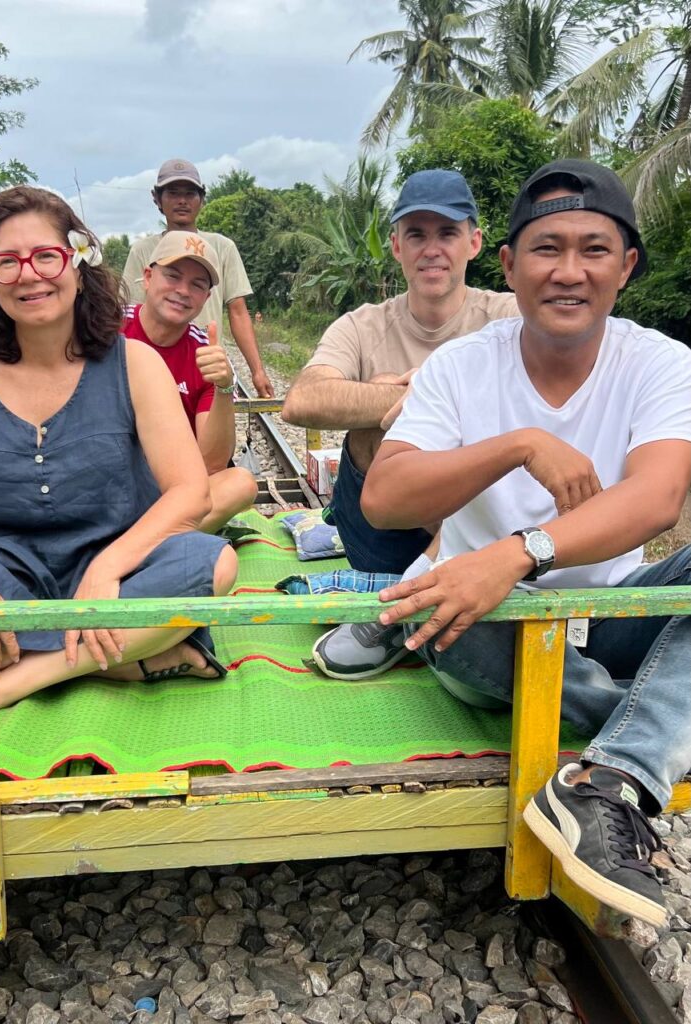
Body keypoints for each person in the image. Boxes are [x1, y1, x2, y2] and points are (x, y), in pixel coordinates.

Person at [363, 158, 691, 927]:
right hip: (477, 619)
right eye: (546, 249)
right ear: (508, 266)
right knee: (439, 608)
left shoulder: (660, 363)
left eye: (593, 249)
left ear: (626, 267)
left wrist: (517, 552)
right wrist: (515, 444)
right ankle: (646, 730)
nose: (567, 272)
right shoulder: (460, 367)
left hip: (608, 612)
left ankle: (605, 780)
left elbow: (657, 498)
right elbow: (383, 498)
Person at [0, 185, 239, 734]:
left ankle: (4, 681)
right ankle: (123, 660)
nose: (30, 275)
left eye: (46, 255)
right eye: (6, 262)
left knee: (215, 564)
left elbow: (189, 492)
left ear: (78, 261)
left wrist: (108, 568)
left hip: (116, 571)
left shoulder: (134, 363)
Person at [282, 169, 518, 679]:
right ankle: (421, 584)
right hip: (383, 524)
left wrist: (434, 392)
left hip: (483, 523)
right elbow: (302, 400)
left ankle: (418, 585)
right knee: (382, 423)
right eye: (417, 234)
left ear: (474, 242)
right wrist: (403, 397)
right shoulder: (363, 324)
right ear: (395, 246)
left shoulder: (509, 316)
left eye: (447, 233)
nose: (432, 249)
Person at [122, 231, 258, 532]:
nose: (183, 291)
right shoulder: (106, 327)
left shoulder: (205, 354)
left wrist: (224, 387)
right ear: (147, 277)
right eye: (172, 276)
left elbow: (212, 465)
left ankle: (136, 545)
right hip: (103, 480)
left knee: (240, 483)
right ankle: (158, 543)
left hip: (166, 491)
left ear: (206, 298)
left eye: (197, 284)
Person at [121, 158, 274, 398]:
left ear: (202, 199)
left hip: (205, 365)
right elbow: (129, 310)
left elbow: (237, 310)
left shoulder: (222, 248)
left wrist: (257, 370)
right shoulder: (143, 250)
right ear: (157, 199)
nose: (182, 201)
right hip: (152, 363)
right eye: (173, 193)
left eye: (190, 193)